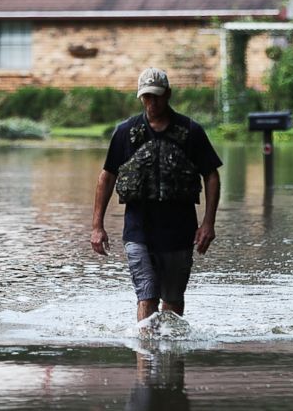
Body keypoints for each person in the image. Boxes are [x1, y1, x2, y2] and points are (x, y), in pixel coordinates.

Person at [91, 67, 222, 321]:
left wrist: (208, 222)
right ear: (140, 97)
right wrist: (97, 226)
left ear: (168, 94)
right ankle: (146, 355)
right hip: (138, 229)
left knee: (172, 301)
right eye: (147, 97)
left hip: (179, 230)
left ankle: (170, 357)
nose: (152, 102)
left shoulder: (190, 132)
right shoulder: (125, 133)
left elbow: (211, 175)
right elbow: (107, 176)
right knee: (147, 294)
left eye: (157, 96)